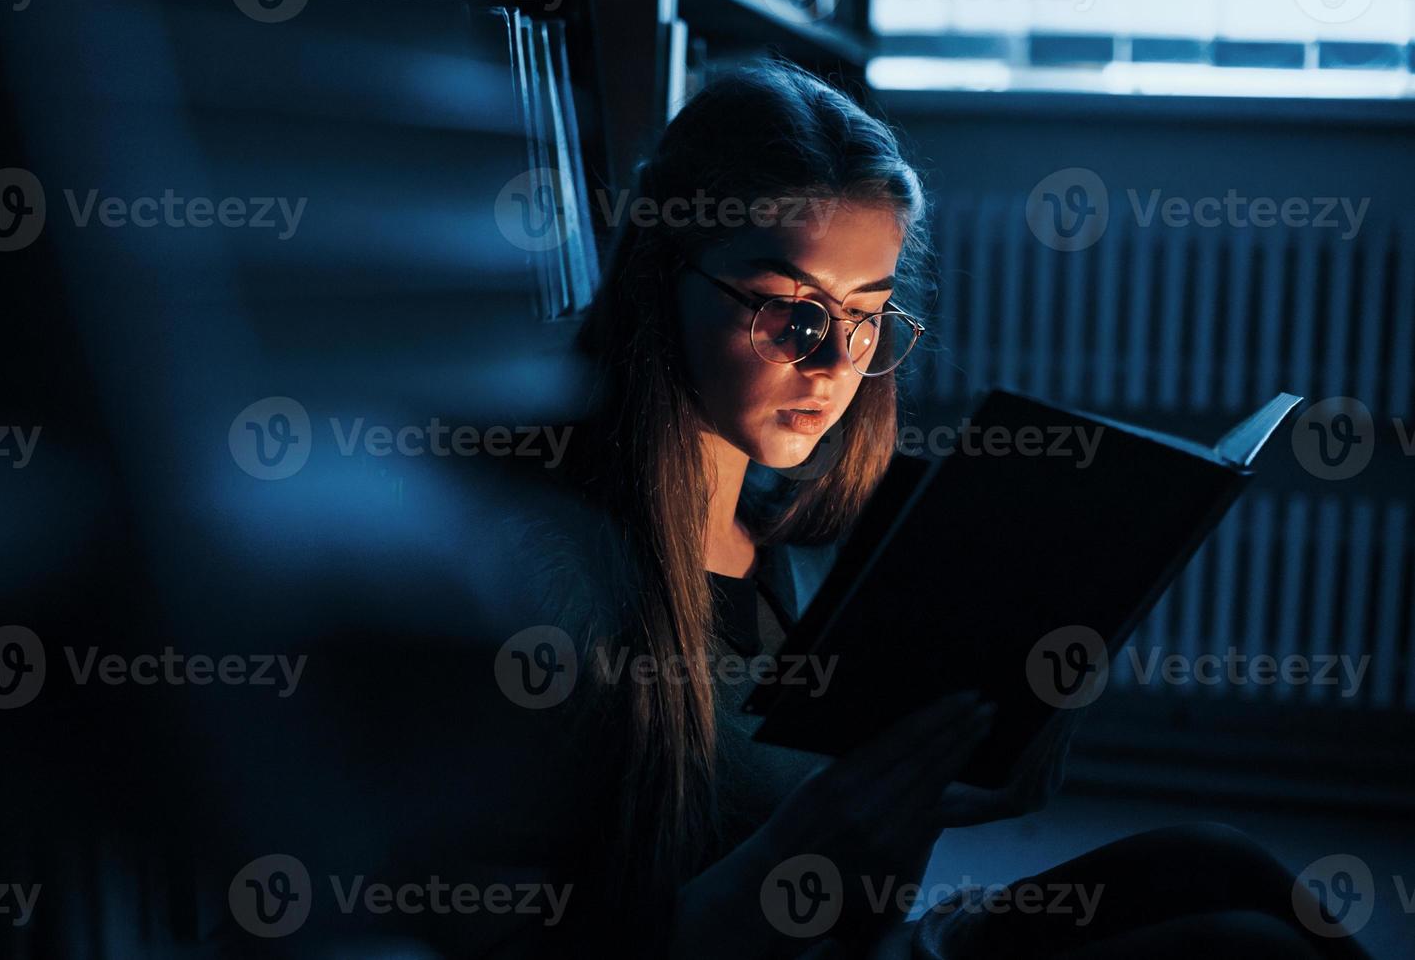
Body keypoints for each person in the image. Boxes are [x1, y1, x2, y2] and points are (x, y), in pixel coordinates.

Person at [494, 59, 1373, 960]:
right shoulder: (554, 580)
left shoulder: (797, 539)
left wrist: (942, 793)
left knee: (1214, 862)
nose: (835, 362)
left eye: (867, 315)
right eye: (792, 309)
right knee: (1235, 948)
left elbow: (855, 907)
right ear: (660, 276)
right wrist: (796, 858)